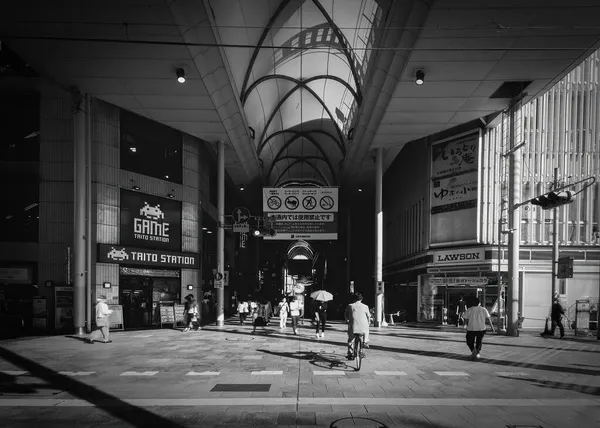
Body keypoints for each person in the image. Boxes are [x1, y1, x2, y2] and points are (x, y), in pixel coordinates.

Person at [344, 292, 370, 360]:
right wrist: (369, 321)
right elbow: (368, 317)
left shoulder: (350, 306)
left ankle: (350, 353)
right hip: (363, 328)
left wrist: (347, 320)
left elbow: (346, 315)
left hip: (353, 327)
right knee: (366, 329)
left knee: (351, 339)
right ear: (361, 299)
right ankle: (365, 342)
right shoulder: (365, 306)